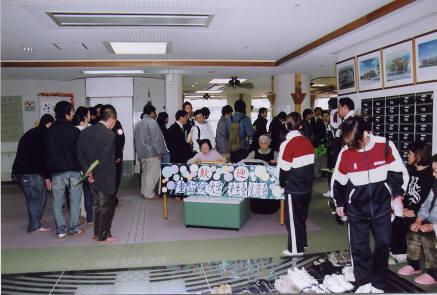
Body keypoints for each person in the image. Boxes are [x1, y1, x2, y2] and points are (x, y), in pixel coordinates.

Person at [331, 116, 408, 293]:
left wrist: (398, 196)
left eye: (357, 142)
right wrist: (339, 203)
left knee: (383, 242)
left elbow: (399, 172)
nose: (354, 147)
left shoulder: (385, 145)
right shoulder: (346, 152)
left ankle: (378, 282)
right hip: (356, 206)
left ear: (366, 133)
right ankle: (364, 281)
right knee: (359, 246)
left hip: (382, 205)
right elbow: (338, 180)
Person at [77, 105, 118, 243]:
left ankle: (97, 233)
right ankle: (104, 236)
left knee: (97, 206)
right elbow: (105, 160)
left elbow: (79, 154)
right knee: (107, 207)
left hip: (90, 176)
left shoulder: (85, 132)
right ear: (111, 119)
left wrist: (87, 171)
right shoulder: (109, 135)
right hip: (104, 177)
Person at [46, 101, 85, 239]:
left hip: (57, 172)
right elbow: (80, 152)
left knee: (57, 201)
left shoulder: (50, 131)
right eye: (72, 111)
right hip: (74, 171)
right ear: (67, 113)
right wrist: (84, 168)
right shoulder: (74, 130)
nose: (73, 114)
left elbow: (47, 154)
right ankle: (74, 229)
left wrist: (47, 175)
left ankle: (60, 230)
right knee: (74, 200)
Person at [390, 141, 433, 264]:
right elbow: (407, 194)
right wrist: (402, 207)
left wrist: (415, 212)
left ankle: (401, 253)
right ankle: (394, 249)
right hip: (407, 209)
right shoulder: (412, 172)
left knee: (398, 222)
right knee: (389, 217)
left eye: (409, 154)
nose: (407, 156)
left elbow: (427, 200)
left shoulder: (429, 175)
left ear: (418, 156)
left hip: (419, 213)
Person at [278, 112, 314, 256]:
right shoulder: (307, 141)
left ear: (286, 126)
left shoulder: (287, 144)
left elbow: (284, 168)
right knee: (301, 217)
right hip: (307, 187)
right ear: (300, 126)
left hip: (294, 187)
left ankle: (295, 249)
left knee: (292, 219)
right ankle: (302, 244)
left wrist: (281, 183)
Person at [398, 153, 437, 285]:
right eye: (433, 170)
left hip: (435, 225)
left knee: (428, 236)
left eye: (436, 171)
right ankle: (414, 264)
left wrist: (434, 227)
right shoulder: (435, 185)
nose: (433, 174)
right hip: (430, 222)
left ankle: (434, 273)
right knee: (413, 230)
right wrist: (419, 220)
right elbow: (426, 205)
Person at [12, 114, 54, 233]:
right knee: (37, 198)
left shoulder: (31, 132)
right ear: (49, 124)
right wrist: (47, 177)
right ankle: (34, 225)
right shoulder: (44, 135)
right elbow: (43, 158)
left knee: (34, 197)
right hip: (30, 172)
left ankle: (36, 220)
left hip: (21, 171)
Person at [134, 104, 168, 199]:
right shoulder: (152, 122)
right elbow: (156, 139)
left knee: (145, 173)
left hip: (141, 153)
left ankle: (144, 191)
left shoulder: (138, 124)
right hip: (152, 153)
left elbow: (135, 140)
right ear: (152, 113)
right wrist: (159, 152)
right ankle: (149, 193)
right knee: (152, 174)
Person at [245, 135, 280, 215]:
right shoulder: (253, 153)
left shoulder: (275, 154)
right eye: (261, 143)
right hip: (257, 181)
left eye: (265, 143)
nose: (263, 146)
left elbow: (279, 166)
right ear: (259, 144)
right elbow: (246, 164)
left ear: (269, 143)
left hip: (270, 181)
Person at [72, 106, 93, 225]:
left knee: (76, 194)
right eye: (89, 114)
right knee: (87, 193)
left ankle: (81, 214)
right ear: (85, 116)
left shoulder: (72, 130)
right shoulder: (85, 131)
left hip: (75, 167)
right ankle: (89, 217)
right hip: (86, 166)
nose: (90, 116)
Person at [112, 120, 125, 203]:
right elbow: (120, 139)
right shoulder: (117, 124)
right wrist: (118, 155)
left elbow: (121, 138)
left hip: (108, 157)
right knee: (115, 177)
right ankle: (113, 198)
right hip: (115, 156)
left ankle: (113, 195)